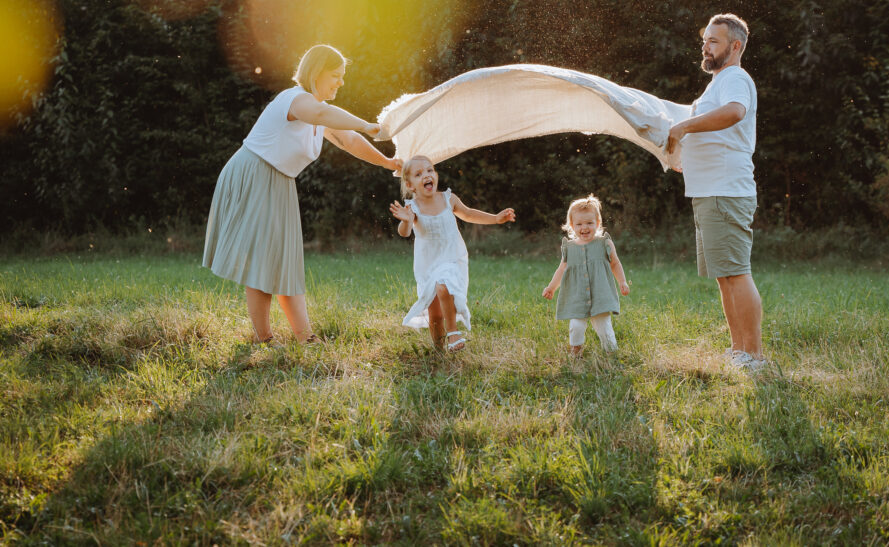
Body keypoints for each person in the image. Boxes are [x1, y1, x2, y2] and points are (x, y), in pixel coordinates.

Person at [203, 44, 402, 344]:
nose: (341, 82)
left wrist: (387, 162)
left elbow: (350, 141)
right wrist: (367, 124)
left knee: (285, 260)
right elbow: (323, 113)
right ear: (316, 72)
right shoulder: (295, 99)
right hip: (256, 172)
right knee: (263, 259)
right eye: (336, 75)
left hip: (279, 180)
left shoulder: (319, 118)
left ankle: (304, 337)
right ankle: (264, 339)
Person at [666, 13, 765, 373]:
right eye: (705, 40)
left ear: (735, 46)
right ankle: (738, 350)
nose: (705, 47)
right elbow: (717, 130)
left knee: (737, 273)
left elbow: (735, 113)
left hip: (726, 191)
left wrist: (685, 126)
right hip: (708, 191)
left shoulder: (736, 78)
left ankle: (753, 356)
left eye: (714, 41)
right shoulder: (718, 82)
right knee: (724, 275)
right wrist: (685, 158)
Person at [389, 155, 515, 353]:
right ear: (410, 184)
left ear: (436, 175)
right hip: (427, 265)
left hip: (452, 258)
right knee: (435, 315)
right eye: (419, 174)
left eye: (430, 170)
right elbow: (404, 233)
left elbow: (469, 214)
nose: (426, 176)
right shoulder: (412, 208)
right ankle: (439, 352)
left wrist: (496, 219)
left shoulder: (448, 198)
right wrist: (405, 221)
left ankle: (453, 332)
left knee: (444, 285)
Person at [542, 195, 629, 356]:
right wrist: (551, 287)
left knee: (604, 327)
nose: (585, 227)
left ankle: (611, 354)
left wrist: (622, 281)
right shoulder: (569, 247)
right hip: (576, 295)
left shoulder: (605, 243)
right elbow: (562, 269)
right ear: (571, 226)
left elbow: (615, 263)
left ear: (598, 223)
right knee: (576, 325)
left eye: (589, 223)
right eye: (579, 224)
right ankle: (576, 350)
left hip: (600, 295)